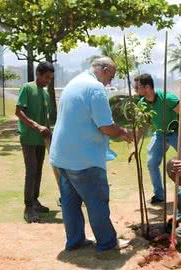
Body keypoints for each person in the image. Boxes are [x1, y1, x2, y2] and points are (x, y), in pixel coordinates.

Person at [50, 57, 133, 252]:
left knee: (70, 202)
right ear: (103, 70)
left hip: (61, 156)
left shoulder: (74, 82)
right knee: (96, 201)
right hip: (83, 159)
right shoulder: (95, 88)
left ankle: (75, 240)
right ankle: (107, 242)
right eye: (110, 76)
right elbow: (105, 126)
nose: (110, 82)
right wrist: (123, 132)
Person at [134, 73, 181, 204]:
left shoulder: (167, 98)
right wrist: (135, 145)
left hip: (176, 133)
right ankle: (159, 195)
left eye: (138, 86)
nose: (135, 89)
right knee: (151, 163)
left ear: (147, 87)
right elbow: (141, 126)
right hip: (160, 135)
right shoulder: (142, 103)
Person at [15, 61, 54, 223]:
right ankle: (28, 207)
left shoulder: (45, 93)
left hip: (41, 140)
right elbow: (19, 111)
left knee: (38, 171)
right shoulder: (27, 88)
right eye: (46, 77)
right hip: (29, 139)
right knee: (31, 171)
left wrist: (49, 132)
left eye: (50, 79)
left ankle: (35, 201)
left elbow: (46, 117)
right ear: (38, 73)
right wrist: (36, 126)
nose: (48, 81)